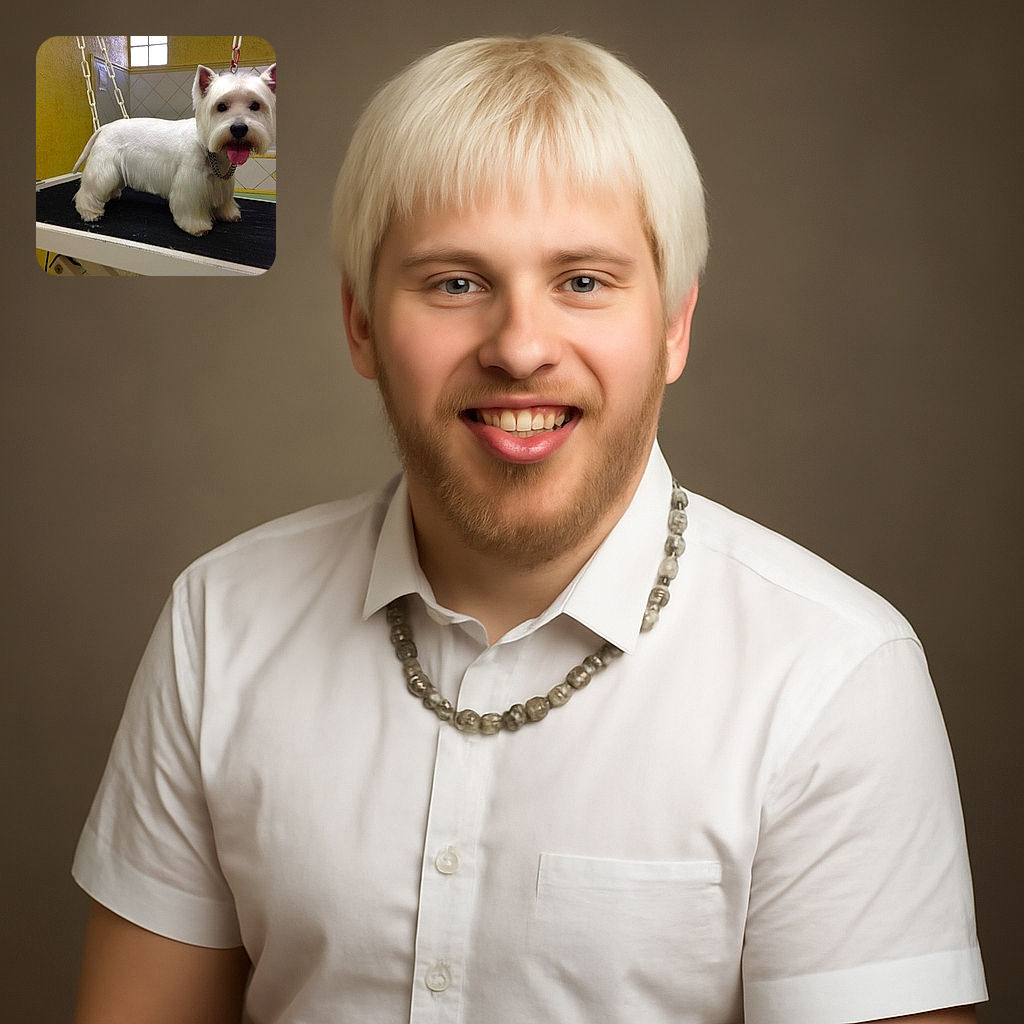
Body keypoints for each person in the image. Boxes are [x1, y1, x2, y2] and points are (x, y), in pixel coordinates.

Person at [71, 35, 987, 1024]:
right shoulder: (221, 620)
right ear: (361, 327)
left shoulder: (835, 677)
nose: (518, 347)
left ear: (673, 327)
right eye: (456, 283)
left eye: (584, 281)